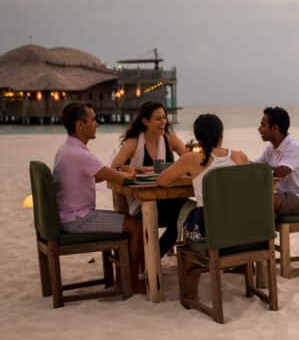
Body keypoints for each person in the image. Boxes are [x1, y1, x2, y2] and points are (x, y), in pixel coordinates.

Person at [53, 102, 142, 285]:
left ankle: (122, 276)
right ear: (80, 125)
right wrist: (129, 174)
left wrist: (120, 173)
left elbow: (97, 176)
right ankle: (131, 282)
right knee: (135, 226)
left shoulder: (66, 150)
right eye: (93, 120)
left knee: (126, 218)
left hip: (69, 216)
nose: (97, 124)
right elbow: (121, 180)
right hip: (79, 219)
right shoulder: (79, 154)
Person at [111, 101, 187, 257]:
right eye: (158, 119)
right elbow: (114, 169)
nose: (163, 122)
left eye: (164, 118)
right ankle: (151, 258)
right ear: (145, 121)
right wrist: (129, 170)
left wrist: (148, 169)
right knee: (182, 213)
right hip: (142, 203)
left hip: (168, 198)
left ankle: (154, 255)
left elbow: (188, 162)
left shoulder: (169, 139)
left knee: (188, 212)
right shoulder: (133, 142)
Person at [156, 113, 249, 240]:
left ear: (198, 138)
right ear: (221, 134)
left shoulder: (191, 158)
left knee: (184, 215)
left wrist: (193, 180)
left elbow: (162, 181)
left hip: (209, 230)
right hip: (241, 225)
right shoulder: (239, 156)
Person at [255, 106, 299, 216]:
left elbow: (279, 173)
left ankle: (262, 232)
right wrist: (241, 161)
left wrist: (259, 169)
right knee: (250, 200)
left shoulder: (294, 148)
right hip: (282, 195)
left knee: (265, 201)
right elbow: (256, 167)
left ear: (275, 128)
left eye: (263, 125)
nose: (259, 129)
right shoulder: (271, 148)